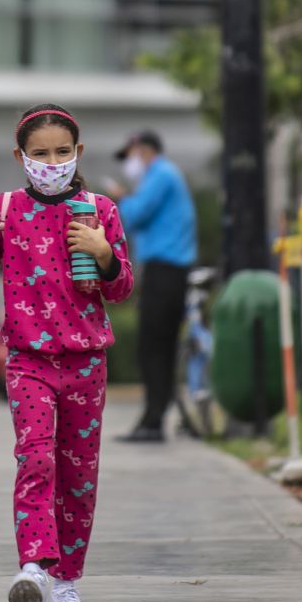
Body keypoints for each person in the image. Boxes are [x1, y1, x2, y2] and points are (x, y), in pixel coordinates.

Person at [0, 103, 134, 602]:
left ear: (79, 153)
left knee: (79, 474)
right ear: (20, 156)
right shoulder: (3, 210)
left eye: (62, 152)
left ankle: (67, 584)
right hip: (28, 362)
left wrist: (104, 252)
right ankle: (34, 568)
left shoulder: (100, 210)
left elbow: (121, 288)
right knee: (36, 459)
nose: (52, 162)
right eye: (40, 154)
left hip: (87, 362)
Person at [113, 130, 197, 443]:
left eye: (130, 154)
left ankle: (153, 421)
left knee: (155, 347)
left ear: (144, 150)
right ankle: (152, 417)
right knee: (156, 347)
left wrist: (122, 199)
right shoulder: (161, 176)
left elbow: (133, 216)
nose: (129, 162)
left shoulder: (160, 175)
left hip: (166, 270)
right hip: (163, 270)